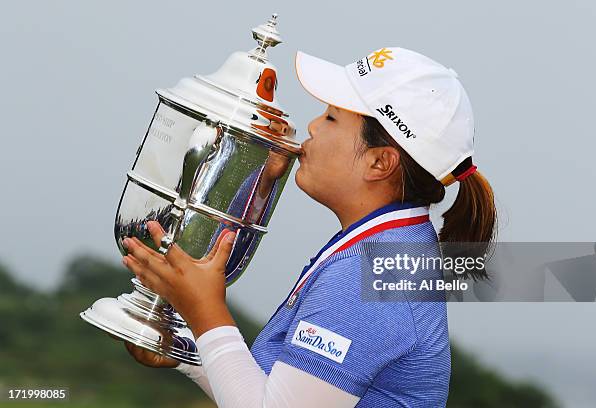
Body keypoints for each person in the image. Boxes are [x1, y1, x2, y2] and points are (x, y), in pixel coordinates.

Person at [120, 47, 497, 407]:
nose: (312, 126)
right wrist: (187, 351)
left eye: (332, 117)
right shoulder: (387, 249)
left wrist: (204, 311)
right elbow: (274, 394)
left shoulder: (370, 276)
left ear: (380, 163)